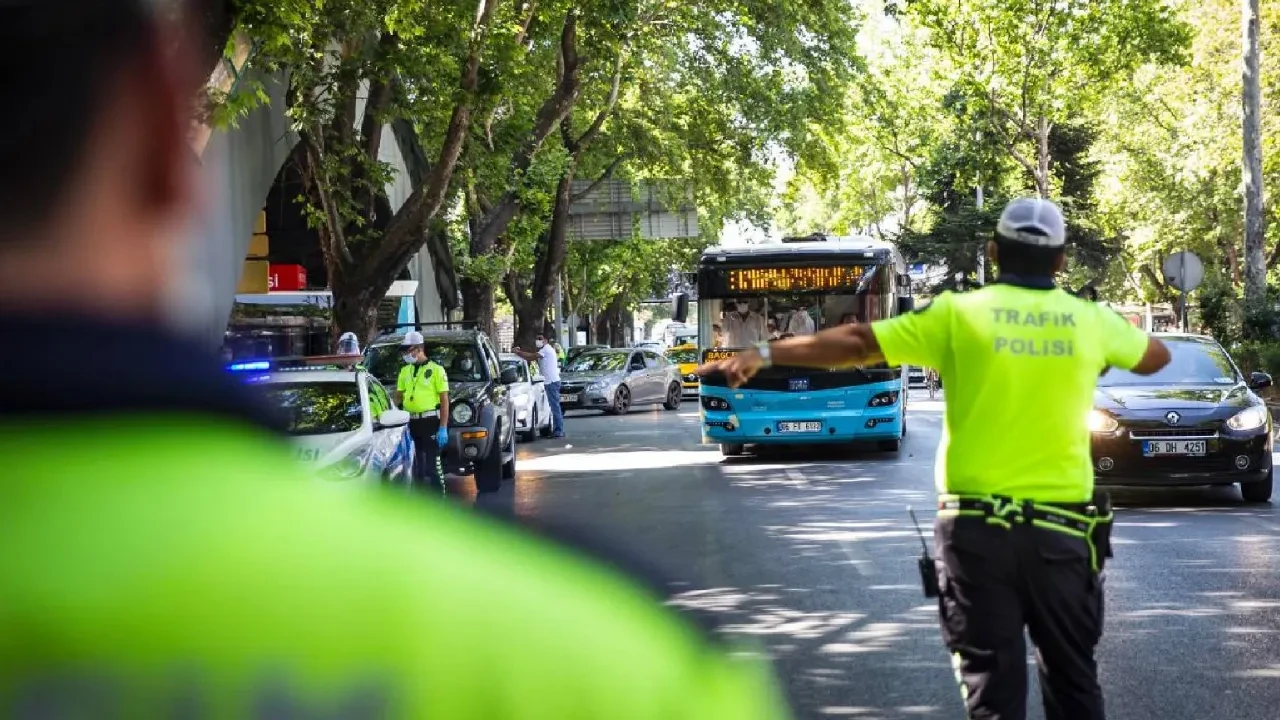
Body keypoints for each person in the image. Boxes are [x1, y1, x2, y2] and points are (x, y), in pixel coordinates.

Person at [0, 3, 790, 715]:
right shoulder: (607, 658)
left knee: (445, 468)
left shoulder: (429, 374)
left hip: (424, 428)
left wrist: (439, 417)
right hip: (411, 446)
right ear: (166, 134)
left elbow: (438, 398)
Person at [699, 197, 1172, 720]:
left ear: (994, 252)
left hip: (976, 538)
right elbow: (1156, 356)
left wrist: (765, 352)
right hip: (1063, 537)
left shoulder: (958, 314)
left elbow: (858, 342)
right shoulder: (1089, 321)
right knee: (1075, 686)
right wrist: (1095, 348)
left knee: (993, 695)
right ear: (1060, 262)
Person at [395, 331, 450, 494]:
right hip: (410, 422)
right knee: (415, 465)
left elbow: (444, 400)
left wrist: (443, 427)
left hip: (430, 421)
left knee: (433, 465)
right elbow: (398, 397)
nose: (405, 354)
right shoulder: (405, 371)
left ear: (419, 349)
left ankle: (439, 498)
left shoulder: (436, 370)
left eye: (408, 349)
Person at [514, 332, 564, 438]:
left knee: (555, 407)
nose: (538, 340)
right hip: (551, 381)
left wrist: (518, 352)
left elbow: (531, 357)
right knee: (554, 407)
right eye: (537, 338)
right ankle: (558, 429)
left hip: (551, 382)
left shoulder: (546, 350)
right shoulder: (545, 349)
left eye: (540, 338)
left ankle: (559, 430)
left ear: (545, 340)